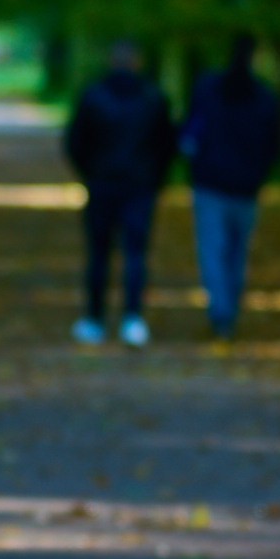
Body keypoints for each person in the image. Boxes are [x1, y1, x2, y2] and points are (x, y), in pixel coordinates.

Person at [64, 39, 175, 347]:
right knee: (135, 253)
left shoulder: (93, 94)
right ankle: (132, 318)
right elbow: (167, 144)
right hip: (139, 187)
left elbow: (75, 142)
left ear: (111, 60)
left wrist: (91, 172)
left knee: (98, 253)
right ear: (136, 61)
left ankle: (94, 319)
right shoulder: (153, 96)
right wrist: (156, 179)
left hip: (103, 184)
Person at [180, 33, 280, 339]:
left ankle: (222, 311)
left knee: (214, 251)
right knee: (236, 253)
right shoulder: (264, 97)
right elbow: (274, 146)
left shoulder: (208, 89)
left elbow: (190, 133)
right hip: (244, 188)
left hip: (212, 185)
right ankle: (227, 310)